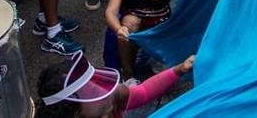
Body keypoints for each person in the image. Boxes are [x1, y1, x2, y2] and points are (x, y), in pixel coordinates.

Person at [37, 50, 194, 118]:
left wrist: (179, 70)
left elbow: (144, 91)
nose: (103, 91)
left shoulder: (111, 97)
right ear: (73, 113)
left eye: (94, 83)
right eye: (91, 93)